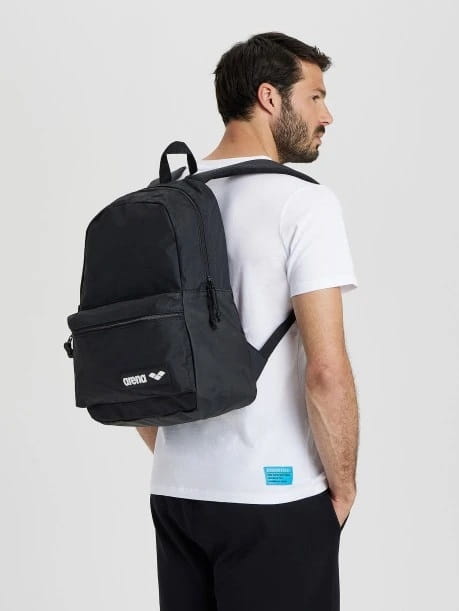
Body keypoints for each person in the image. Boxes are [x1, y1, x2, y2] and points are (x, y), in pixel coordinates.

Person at [137, 31, 360, 611]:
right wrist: (342, 491)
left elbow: (136, 356)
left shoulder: (164, 203)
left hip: (176, 494)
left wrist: (182, 456)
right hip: (275, 497)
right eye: (315, 97)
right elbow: (326, 371)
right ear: (269, 97)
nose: (327, 115)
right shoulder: (304, 204)